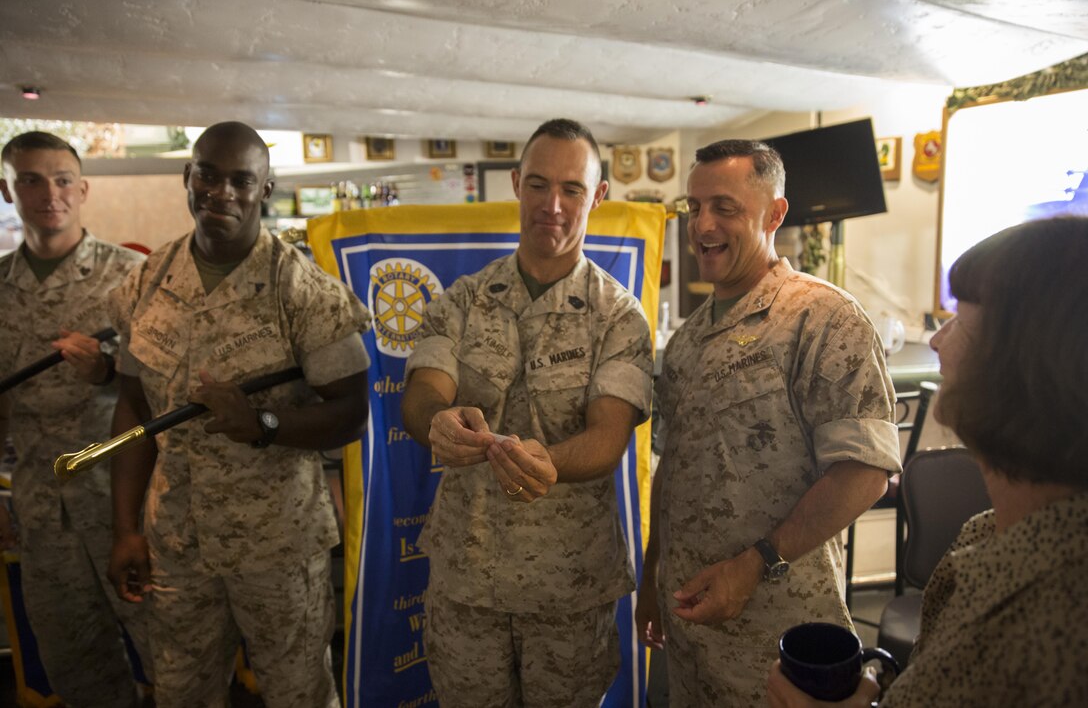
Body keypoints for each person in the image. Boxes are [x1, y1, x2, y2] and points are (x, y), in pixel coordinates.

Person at [768, 215, 1088, 707]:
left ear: (1024, 361)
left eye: (959, 319)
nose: (937, 340)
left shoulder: (1060, 616)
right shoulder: (987, 534)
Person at [107, 121, 372, 708]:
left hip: (277, 547)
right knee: (180, 694)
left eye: (240, 180)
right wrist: (126, 528)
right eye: (208, 175)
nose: (221, 192)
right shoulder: (144, 283)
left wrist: (262, 426)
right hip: (176, 541)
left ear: (264, 189)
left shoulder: (304, 292)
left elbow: (352, 413)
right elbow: (132, 406)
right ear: (188, 177)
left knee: (298, 694)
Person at [636, 139, 901, 704]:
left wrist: (755, 565)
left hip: (781, 643)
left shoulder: (822, 318)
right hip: (692, 630)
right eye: (694, 207)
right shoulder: (686, 342)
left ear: (775, 214)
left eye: (725, 207)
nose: (703, 224)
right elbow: (673, 469)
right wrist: (653, 577)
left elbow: (865, 473)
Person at [400, 118, 653, 706]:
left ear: (599, 197)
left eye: (572, 189)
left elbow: (608, 436)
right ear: (516, 184)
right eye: (538, 185)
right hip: (467, 581)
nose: (553, 206)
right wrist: (436, 419)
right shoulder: (461, 300)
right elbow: (422, 396)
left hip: (568, 589)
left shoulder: (619, 317)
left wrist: (550, 461)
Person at [0, 131, 152, 708]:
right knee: (77, 668)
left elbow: (169, 387)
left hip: (126, 503)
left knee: (174, 652)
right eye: (30, 180)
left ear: (83, 188)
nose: (49, 193)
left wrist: (106, 373)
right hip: (42, 509)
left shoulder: (131, 274)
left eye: (62, 179)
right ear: (7, 190)